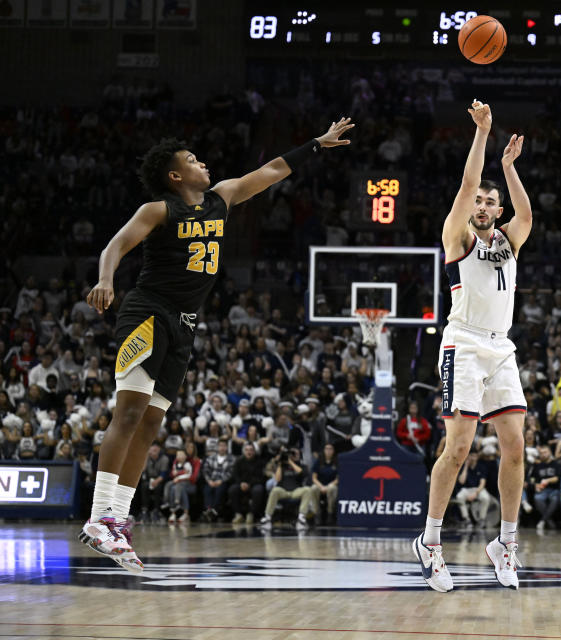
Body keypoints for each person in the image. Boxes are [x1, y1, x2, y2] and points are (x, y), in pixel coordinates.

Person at [78, 119, 354, 572]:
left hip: (186, 324)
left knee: (150, 425)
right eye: (191, 160)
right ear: (174, 177)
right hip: (148, 312)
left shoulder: (221, 198)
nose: (201, 162)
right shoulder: (159, 210)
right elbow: (116, 245)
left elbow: (270, 171)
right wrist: (106, 280)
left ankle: (119, 518)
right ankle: (99, 518)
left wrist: (316, 145)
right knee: (128, 412)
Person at [415, 101, 533, 592]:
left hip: (500, 348)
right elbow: (465, 186)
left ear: (498, 210)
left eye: (490, 201)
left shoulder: (509, 240)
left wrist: (509, 169)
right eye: (479, 201)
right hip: (462, 344)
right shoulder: (457, 237)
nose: (483, 205)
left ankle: (505, 545)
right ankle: (431, 542)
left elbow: (526, 212)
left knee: (515, 448)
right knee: (459, 446)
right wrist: (483, 135)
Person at [260, 447, 312, 530]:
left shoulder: (302, 466)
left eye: (295, 454)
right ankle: (268, 518)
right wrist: (280, 464)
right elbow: (277, 479)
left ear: (299, 455)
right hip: (283, 491)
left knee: (308, 490)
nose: (293, 455)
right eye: (291, 454)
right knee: (274, 490)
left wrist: (291, 462)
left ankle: (301, 518)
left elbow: (302, 473)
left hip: (296, 491)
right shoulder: (282, 466)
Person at [228, 442, 265, 524]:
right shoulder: (239, 461)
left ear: (254, 451)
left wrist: (249, 484)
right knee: (232, 489)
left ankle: (251, 514)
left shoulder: (260, 461)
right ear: (244, 451)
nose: (249, 452)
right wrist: (241, 483)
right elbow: (235, 475)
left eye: (251, 450)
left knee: (258, 490)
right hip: (241, 484)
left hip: (254, 484)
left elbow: (261, 477)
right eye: (247, 450)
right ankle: (238, 514)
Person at [529, 445, 561, 530]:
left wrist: (547, 480)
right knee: (537, 498)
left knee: (555, 499)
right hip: (542, 490)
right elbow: (532, 479)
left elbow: (557, 478)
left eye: (545, 452)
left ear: (550, 453)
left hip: (554, 489)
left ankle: (543, 520)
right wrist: (536, 485)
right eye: (541, 453)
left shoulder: (556, 464)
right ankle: (548, 520)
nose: (543, 454)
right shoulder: (538, 466)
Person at [201, 438, 233, 522]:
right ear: (217, 447)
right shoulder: (211, 458)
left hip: (223, 481)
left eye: (224, 446)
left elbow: (230, 473)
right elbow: (205, 470)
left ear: (227, 447)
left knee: (220, 490)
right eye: (220, 446)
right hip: (211, 480)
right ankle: (208, 510)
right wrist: (209, 481)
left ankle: (214, 511)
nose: (222, 448)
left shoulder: (231, 459)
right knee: (207, 490)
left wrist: (221, 481)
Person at [309, 443, 339, 525]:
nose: (328, 451)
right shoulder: (319, 461)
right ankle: (317, 513)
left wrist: (328, 486)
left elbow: (338, 478)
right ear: (324, 450)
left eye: (330, 449)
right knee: (313, 488)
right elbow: (314, 478)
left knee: (332, 488)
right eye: (326, 449)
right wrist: (321, 486)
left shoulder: (337, 462)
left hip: (332, 485)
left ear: (333, 451)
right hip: (320, 485)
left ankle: (330, 513)